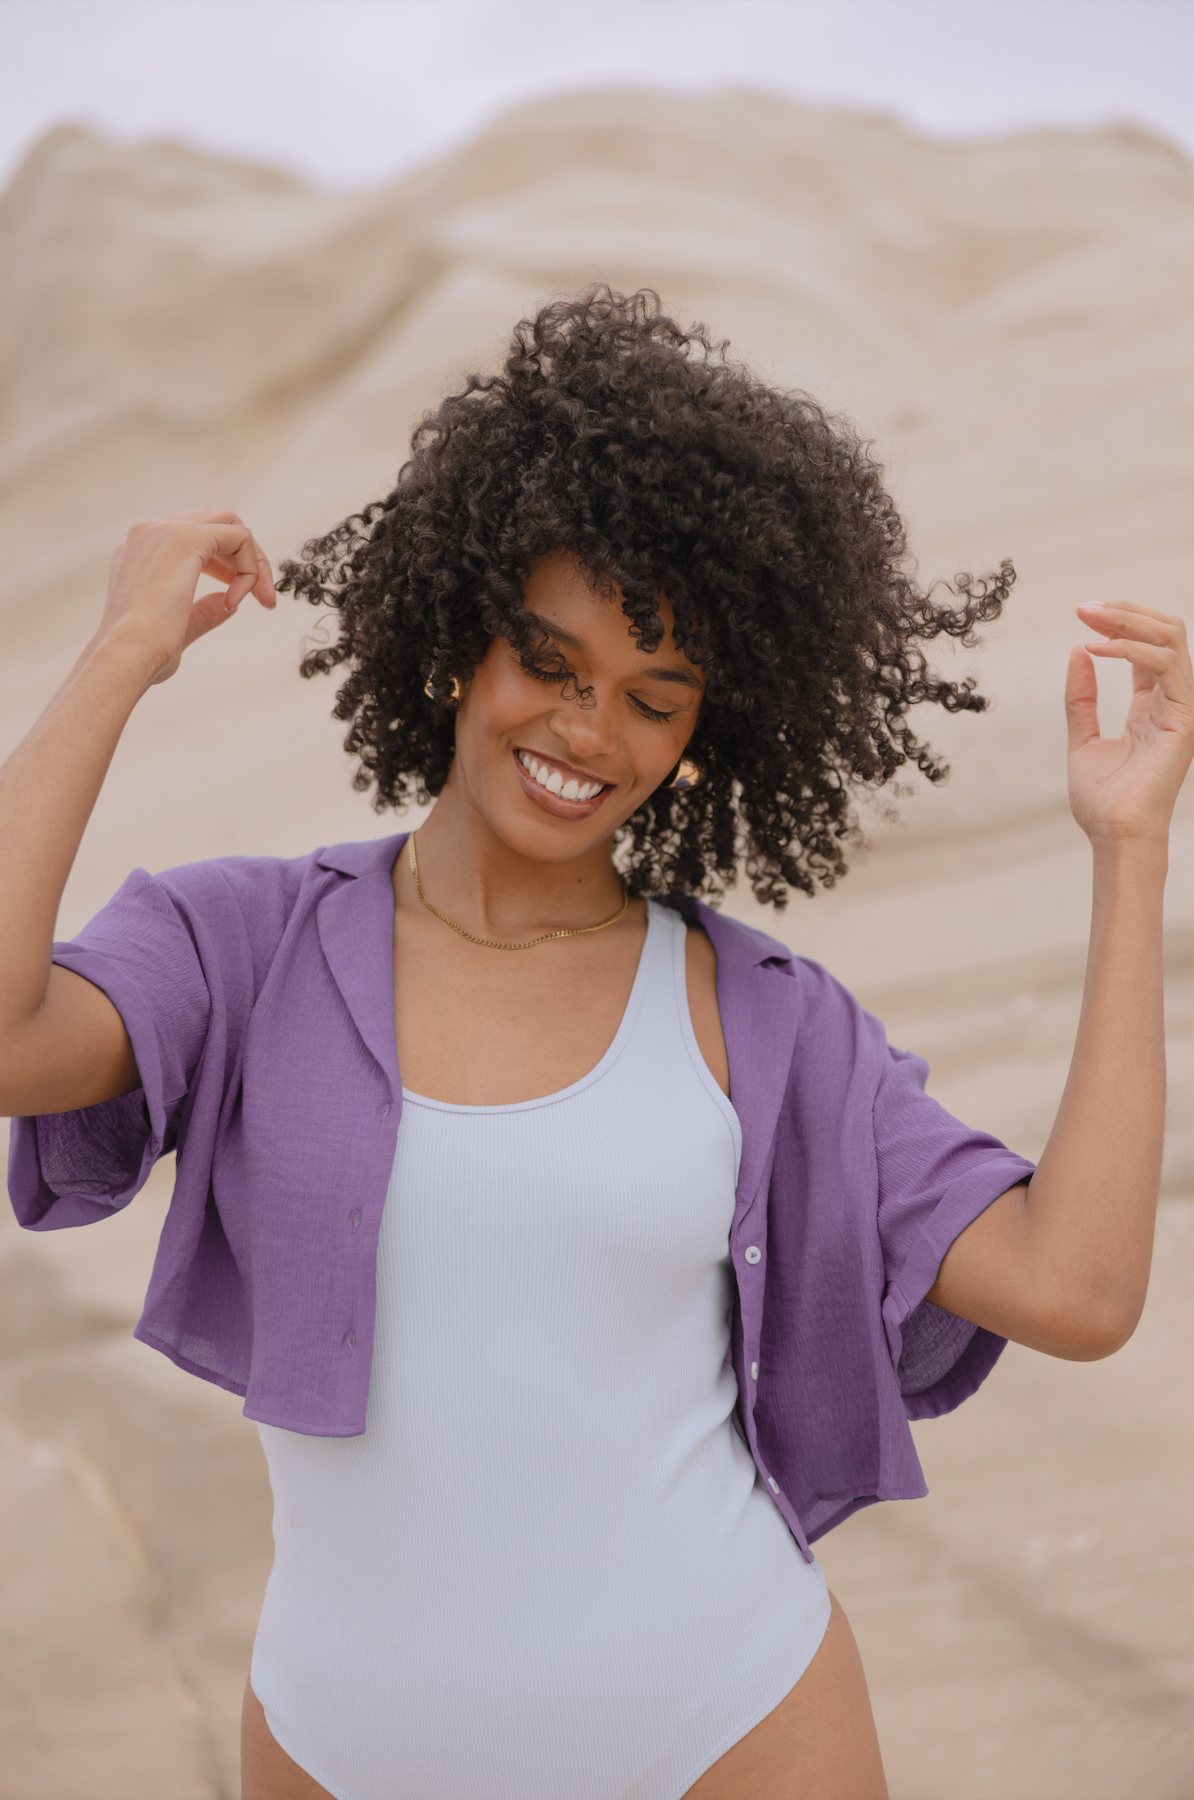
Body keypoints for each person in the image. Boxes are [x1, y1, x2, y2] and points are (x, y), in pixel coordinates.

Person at [2, 289, 1189, 1800]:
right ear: (457, 639)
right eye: (546, 661)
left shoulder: (758, 1020)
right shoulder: (240, 948)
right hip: (340, 1742)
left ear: (700, 736)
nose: (584, 730)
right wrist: (119, 655)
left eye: (651, 699)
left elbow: (1075, 1290)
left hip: (729, 1722)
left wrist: (1128, 850)